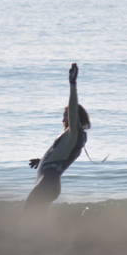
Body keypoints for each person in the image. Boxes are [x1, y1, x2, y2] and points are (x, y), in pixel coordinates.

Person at [23, 63, 91, 216]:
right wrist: (41, 161)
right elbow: (61, 157)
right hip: (51, 185)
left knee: (25, 219)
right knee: (36, 222)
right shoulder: (75, 139)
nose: (63, 120)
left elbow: (73, 110)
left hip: (46, 185)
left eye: (65, 115)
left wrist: (73, 85)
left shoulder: (75, 131)